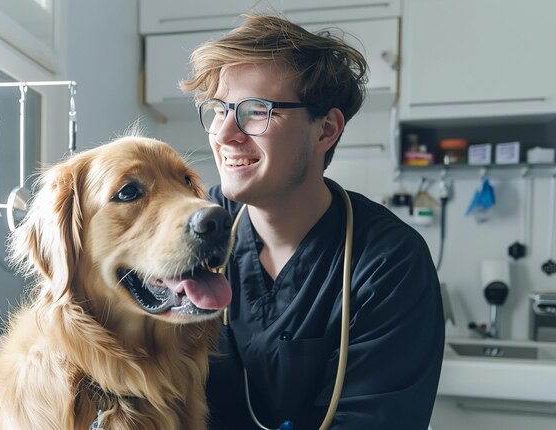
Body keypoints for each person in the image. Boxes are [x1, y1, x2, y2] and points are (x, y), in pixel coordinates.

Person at [179, 14, 444, 430]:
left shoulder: (389, 262)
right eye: (218, 110)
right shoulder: (197, 228)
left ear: (326, 130)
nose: (225, 133)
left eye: (256, 111)